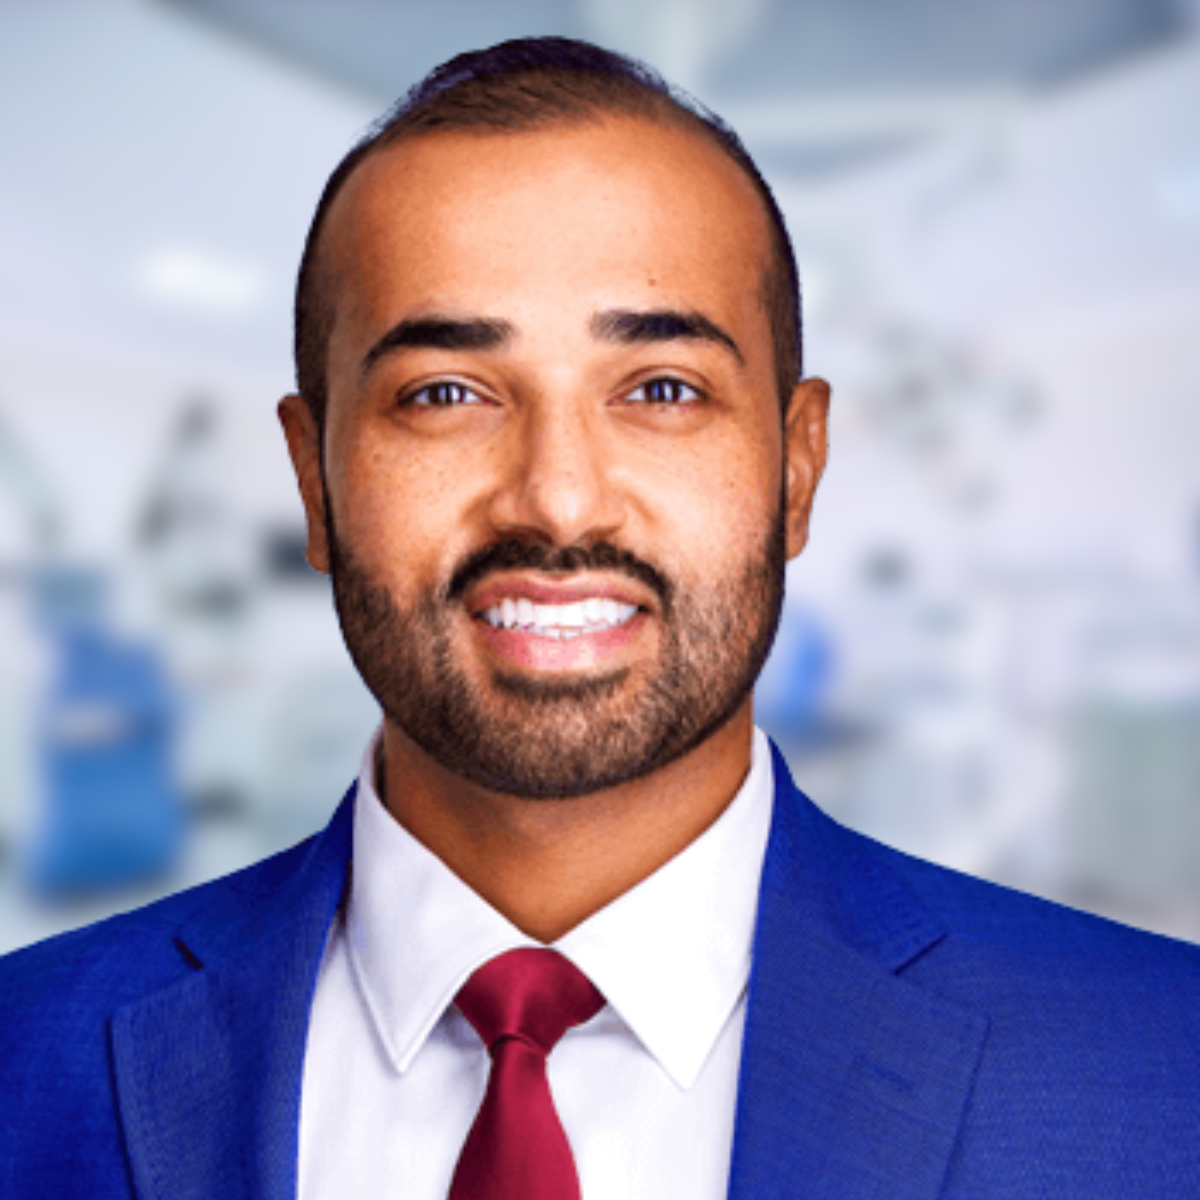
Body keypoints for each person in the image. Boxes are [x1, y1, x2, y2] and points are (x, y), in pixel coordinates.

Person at [2, 36, 1198, 1200]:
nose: (558, 497)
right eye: (446, 394)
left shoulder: (1158, 1069)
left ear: (797, 467)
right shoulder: (25, 1059)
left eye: (663, 390)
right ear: (315, 480)